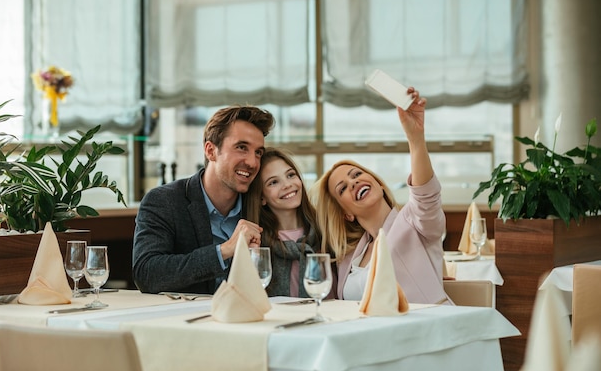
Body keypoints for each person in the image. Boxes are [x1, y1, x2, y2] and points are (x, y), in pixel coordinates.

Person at [313, 87, 450, 305]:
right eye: (342, 188)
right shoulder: (350, 256)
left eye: (357, 174)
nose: (354, 182)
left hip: (422, 332)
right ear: (346, 213)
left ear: (377, 182)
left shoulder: (414, 223)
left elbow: (426, 196)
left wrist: (415, 138)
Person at [132, 105, 276, 294]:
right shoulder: (164, 201)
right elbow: (147, 273)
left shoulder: (261, 204)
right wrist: (225, 250)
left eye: (258, 152)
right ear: (210, 151)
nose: (252, 162)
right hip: (187, 320)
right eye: (241, 148)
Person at [244, 148, 322, 297]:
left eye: (291, 175)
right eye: (273, 182)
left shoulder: (324, 230)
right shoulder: (257, 244)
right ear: (262, 198)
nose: (287, 185)